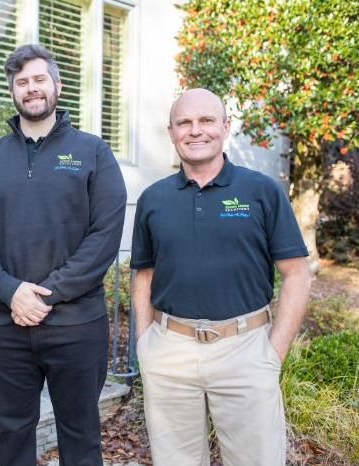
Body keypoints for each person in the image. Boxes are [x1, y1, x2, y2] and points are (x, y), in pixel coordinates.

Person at [0, 44, 127, 466]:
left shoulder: (93, 153)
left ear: (57, 85)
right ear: (12, 91)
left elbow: (105, 233)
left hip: (76, 325)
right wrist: (10, 291)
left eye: (39, 79)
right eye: (21, 82)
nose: (31, 89)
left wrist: (45, 295)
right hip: (4, 325)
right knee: (11, 433)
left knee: (80, 433)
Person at [130, 88, 312, 466]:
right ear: (171, 132)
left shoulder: (262, 191)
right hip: (169, 353)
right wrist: (145, 344)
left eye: (207, 121)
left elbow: (296, 275)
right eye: (185, 122)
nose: (195, 131)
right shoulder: (153, 199)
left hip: (245, 350)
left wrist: (271, 354)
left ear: (225, 127)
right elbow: (144, 274)